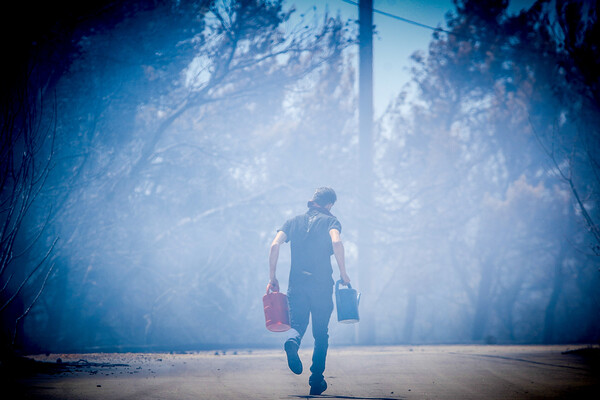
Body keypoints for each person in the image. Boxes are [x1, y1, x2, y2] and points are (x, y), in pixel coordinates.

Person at [268, 187, 351, 396]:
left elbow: (274, 246)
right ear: (329, 204)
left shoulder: (292, 222)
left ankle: (292, 341)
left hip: (297, 284)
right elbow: (337, 241)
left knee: (297, 325)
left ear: (313, 200)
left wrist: (272, 277)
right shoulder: (332, 222)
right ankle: (316, 379)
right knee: (321, 334)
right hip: (321, 285)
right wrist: (343, 273)